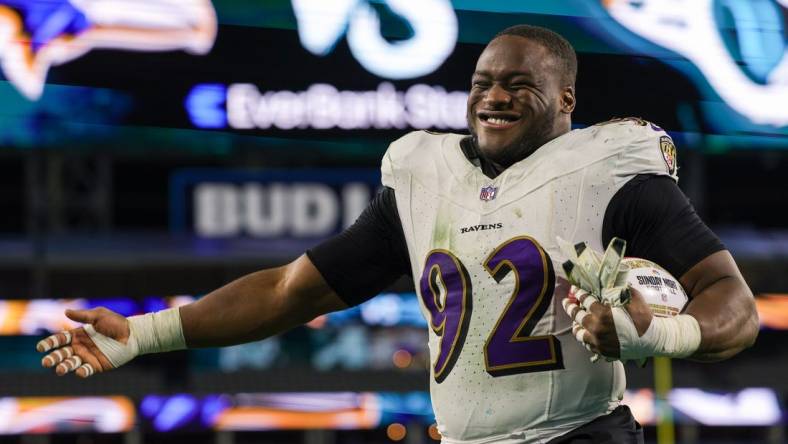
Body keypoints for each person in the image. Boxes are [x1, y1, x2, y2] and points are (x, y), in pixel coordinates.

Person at [37, 25, 759, 443]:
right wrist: (144, 334)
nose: (494, 96)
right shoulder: (424, 177)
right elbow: (291, 290)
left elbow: (734, 303)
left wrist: (658, 337)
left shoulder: (610, 171)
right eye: (482, 82)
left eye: (518, 83)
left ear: (567, 100)